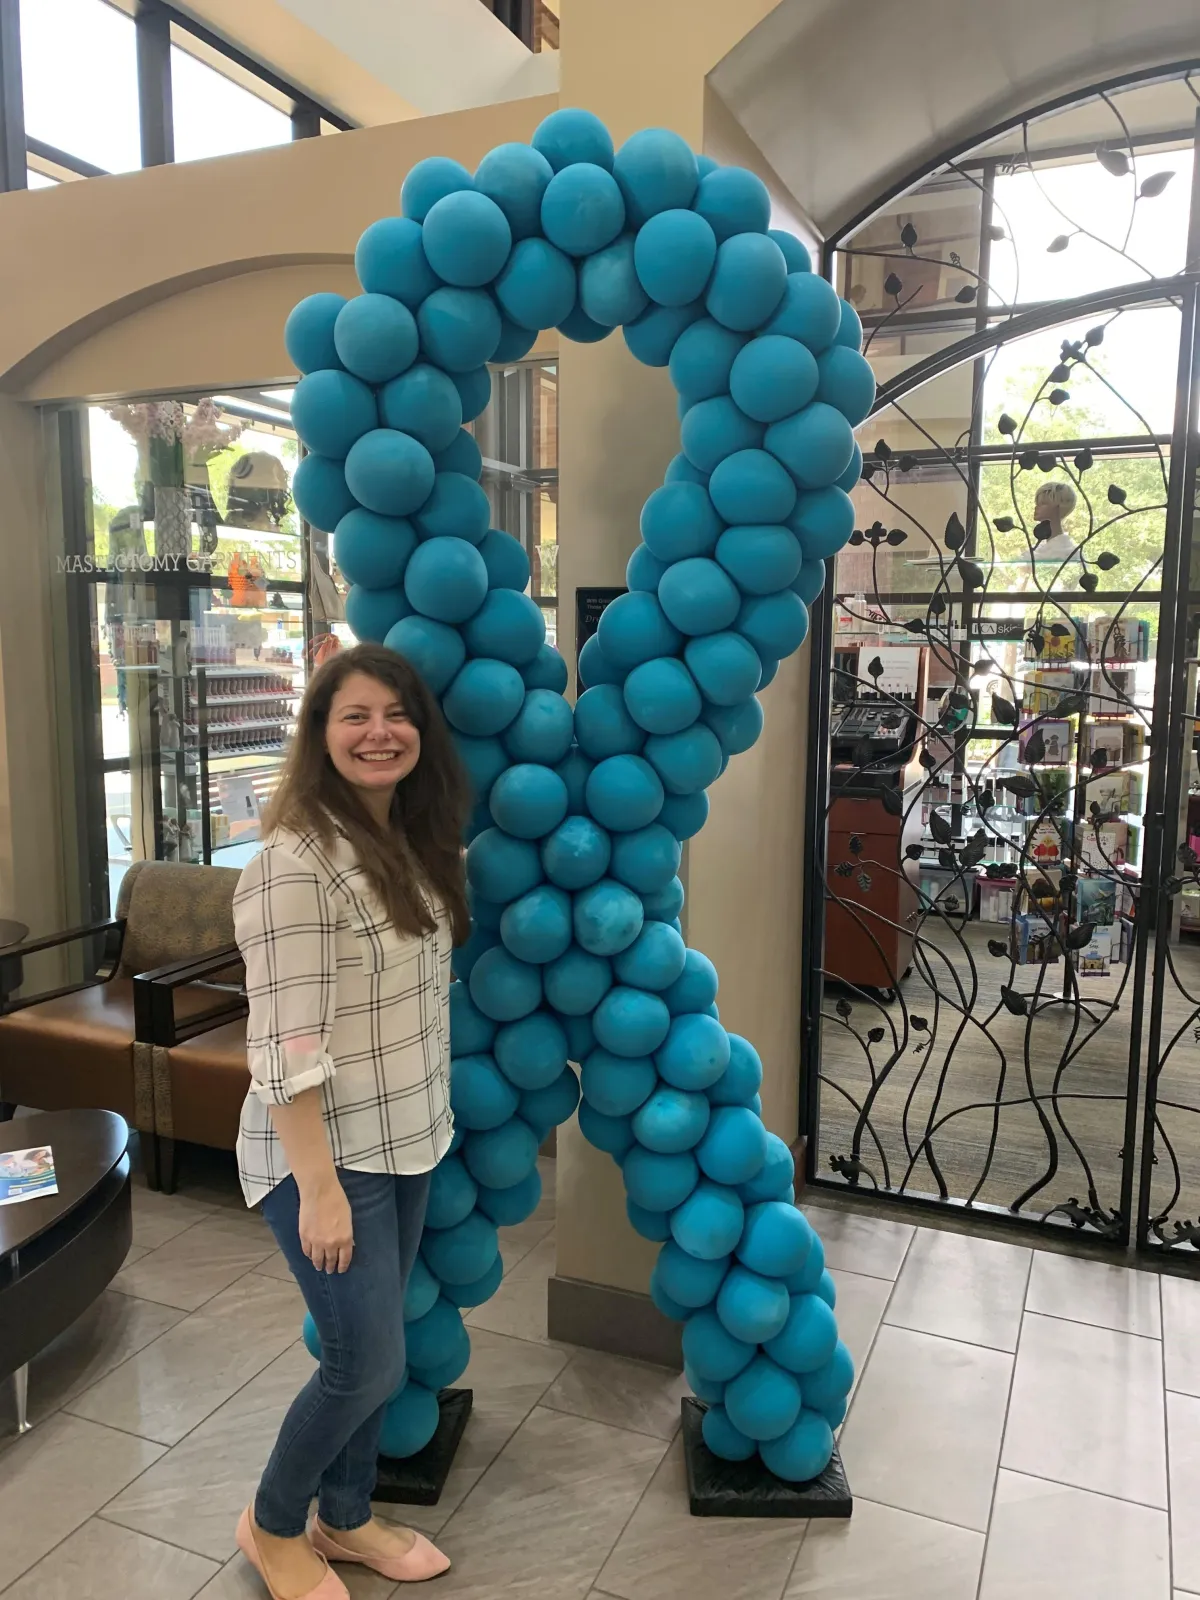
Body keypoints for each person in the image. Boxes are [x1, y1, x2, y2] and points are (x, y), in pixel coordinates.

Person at [232, 642, 471, 1600]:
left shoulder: (409, 844)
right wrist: (321, 1192)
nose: (379, 733)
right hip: (325, 1162)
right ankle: (273, 1521)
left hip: (408, 1137)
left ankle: (347, 1515)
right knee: (362, 1364)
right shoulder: (294, 865)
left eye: (396, 714)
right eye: (354, 716)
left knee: (381, 1356)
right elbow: (285, 1050)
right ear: (320, 736)